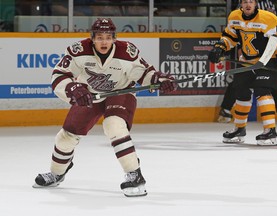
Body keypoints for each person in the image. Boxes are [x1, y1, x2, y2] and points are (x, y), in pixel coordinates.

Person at [32, 18, 177, 197]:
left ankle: (134, 174)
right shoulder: (78, 50)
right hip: (90, 95)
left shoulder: (126, 51)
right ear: (92, 38)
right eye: (99, 37)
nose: (104, 42)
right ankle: (56, 173)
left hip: (121, 92)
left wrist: (160, 80)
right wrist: (72, 87)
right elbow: (59, 74)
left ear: (114, 38)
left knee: (114, 125)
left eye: (108, 37)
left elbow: (144, 73)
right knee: (66, 136)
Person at [208, 0, 277, 145]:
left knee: (262, 90)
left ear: (255, 3)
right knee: (241, 91)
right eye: (245, 2)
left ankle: (270, 131)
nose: (248, 4)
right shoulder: (234, 17)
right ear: (241, 4)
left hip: (267, 61)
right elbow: (230, 37)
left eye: (251, 1)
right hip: (247, 61)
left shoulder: (268, 18)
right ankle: (239, 129)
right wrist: (220, 47)